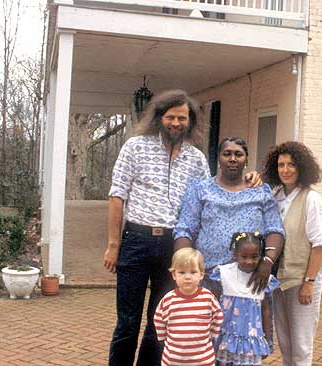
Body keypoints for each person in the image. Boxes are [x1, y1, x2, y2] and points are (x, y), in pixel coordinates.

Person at [103, 91, 261, 366]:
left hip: (173, 246)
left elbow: (211, 193)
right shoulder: (135, 147)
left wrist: (249, 176)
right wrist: (113, 245)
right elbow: (117, 196)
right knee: (127, 322)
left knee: (160, 321)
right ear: (159, 117)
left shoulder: (197, 158)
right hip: (136, 240)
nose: (176, 123)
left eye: (182, 118)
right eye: (170, 117)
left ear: (190, 122)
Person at [173, 136, 285, 296]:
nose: (233, 159)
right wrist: (185, 269)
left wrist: (267, 261)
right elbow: (185, 230)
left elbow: (275, 230)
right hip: (207, 278)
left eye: (238, 154)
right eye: (227, 154)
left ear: (246, 160)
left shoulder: (261, 192)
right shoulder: (200, 190)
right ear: (218, 158)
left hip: (250, 279)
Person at [262, 141, 322, 366]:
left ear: (302, 167)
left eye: (291, 164)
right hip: (280, 279)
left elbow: (319, 245)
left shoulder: (312, 199)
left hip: (301, 281)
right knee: (285, 341)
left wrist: (309, 282)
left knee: (301, 343)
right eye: (281, 165)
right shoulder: (276, 195)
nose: (286, 170)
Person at [210, 231, 279, 366]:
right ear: (235, 254)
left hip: (251, 340)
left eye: (254, 257)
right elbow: (215, 304)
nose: (249, 261)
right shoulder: (224, 274)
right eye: (244, 256)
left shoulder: (262, 279)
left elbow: (266, 310)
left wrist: (266, 339)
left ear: (261, 256)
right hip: (226, 337)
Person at [153, 247, 223, 366]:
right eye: (182, 272)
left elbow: (218, 316)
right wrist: (164, 338)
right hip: (173, 359)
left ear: (201, 274)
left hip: (203, 359)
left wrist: (211, 335)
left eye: (193, 272)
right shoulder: (168, 300)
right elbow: (158, 320)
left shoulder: (208, 298)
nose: (187, 277)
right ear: (174, 275)